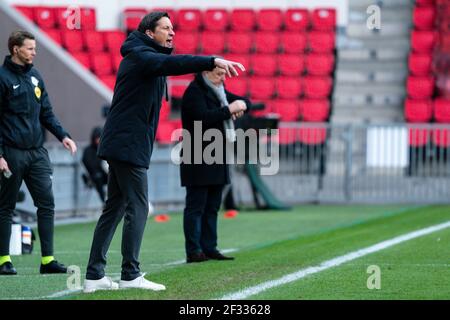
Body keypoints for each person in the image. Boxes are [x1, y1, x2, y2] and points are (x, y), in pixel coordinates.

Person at [83, 11, 245, 293]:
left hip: (125, 143)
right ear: (149, 33)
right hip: (127, 144)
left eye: (173, 29)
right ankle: (130, 274)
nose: (172, 33)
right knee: (138, 207)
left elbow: (166, 65)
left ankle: (95, 275)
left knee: (115, 208)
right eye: (166, 28)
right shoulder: (141, 56)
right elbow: (172, 63)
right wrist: (212, 60)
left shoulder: (146, 56)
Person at [0, 30, 77, 275]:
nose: (34, 52)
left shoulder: (35, 76)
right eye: (30, 48)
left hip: (37, 153)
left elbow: (47, 113)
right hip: (11, 153)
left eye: (35, 48)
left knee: (47, 203)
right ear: (16, 49)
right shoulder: (2, 78)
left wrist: (63, 135)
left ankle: (48, 260)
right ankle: (3, 260)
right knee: (5, 206)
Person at [180, 67, 249, 263]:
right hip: (197, 156)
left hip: (217, 154)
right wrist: (229, 109)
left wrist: (242, 104)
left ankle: (210, 247)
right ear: (205, 74)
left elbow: (245, 102)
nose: (222, 78)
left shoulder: (218, 91)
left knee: (212, 206)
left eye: (223, 74)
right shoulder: (194, 92)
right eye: (218, 74)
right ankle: (194, 250)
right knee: (196, 206)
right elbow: (202, 118)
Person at [82, 127, 108, 203]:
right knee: (97, 176)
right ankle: (104, 202)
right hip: (93, 176)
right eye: (97, 138)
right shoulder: (88, 150)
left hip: (105, 174)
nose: (98, 140)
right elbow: (89, 165)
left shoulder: (104, 149)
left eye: (100, 137)